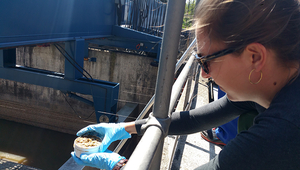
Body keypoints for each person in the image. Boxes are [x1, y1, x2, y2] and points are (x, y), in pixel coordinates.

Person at [71, 0, 300, 169]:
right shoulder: (271, 87)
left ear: (255, 57)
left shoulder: (285, 131)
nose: (203, 75)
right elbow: (198, 118)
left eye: (206, 61)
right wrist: (124, 129)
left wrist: (119, 164)